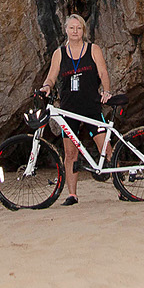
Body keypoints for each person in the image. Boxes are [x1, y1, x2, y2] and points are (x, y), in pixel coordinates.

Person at [41, 14, 112, 206]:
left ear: (83, 31)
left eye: (78, 28)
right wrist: (46, 87)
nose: (75, 31)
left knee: (105, 147)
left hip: (91, 106)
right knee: (70, 153)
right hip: (68, 110)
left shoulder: (93, 49)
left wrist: (106, 90)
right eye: (71, 28)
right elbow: (51, 77)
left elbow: (103, 72)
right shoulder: (59, 53)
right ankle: (72, 194)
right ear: (66, 30)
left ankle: (121, 186)